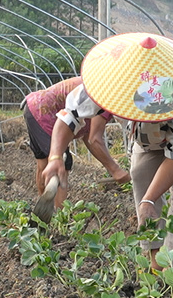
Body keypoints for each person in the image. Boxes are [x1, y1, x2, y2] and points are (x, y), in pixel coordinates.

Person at [43, 32, 173, 269]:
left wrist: (150, 200)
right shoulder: (109, 80)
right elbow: (70, 115)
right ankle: (154, 261)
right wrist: (55, 157)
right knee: (141, 171)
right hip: (156, 104)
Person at [23, 76, 130, 208]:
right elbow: (94, 139)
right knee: (60, 164)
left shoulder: (103, 81)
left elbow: (88, 137)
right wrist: (116, 170)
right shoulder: (109, 96)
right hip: (45, 112)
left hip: (34, 107)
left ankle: (43, 212)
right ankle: (59, 217)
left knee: (44, 162)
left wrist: (113, 168)